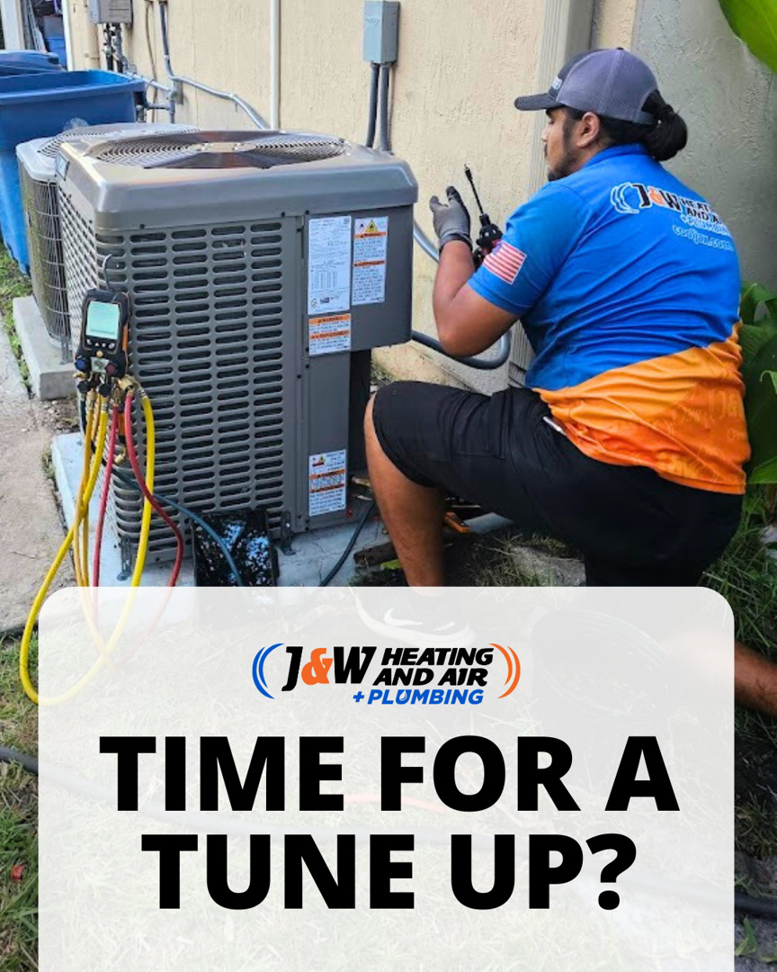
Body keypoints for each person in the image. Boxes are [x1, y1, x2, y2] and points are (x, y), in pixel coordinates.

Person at [363, 48, 777, 713]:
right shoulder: (702, 218)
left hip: (603, 472)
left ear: (586, 126)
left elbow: (461, 332)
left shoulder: (566, 200)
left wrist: (456, 244)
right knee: (655, 626)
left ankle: (432, 627)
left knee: (387, 415)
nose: (544, 133)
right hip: (705, 500)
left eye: (551, 119)